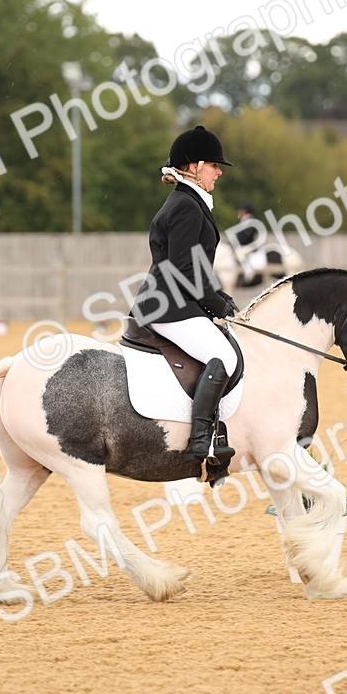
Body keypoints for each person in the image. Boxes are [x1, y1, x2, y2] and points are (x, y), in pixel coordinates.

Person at [129, 125, 240, 463]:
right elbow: (184, 270)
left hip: (176, 303)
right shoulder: (186, 206)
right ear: (193, 166)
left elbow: (192, 267)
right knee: (225, 358)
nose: (219, 172)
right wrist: (216, 302)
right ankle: (201, 441)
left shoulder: (188, 202)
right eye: (213, 165)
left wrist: (219, 296)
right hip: (168, 307)